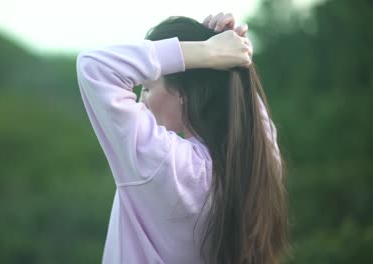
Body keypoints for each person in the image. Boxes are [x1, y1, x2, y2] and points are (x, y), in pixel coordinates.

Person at [76, 12, 290, 264]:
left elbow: (93, 65)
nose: (142, 101)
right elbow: (246, 107)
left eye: (147, 87)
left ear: (181, 93)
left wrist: (208, 52)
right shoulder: (259, 159)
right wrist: (230, 55)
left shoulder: (164, 163)